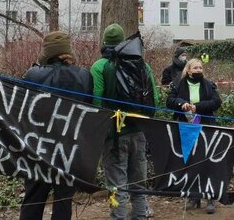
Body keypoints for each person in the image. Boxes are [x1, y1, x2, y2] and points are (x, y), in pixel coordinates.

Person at [20, 32, 92, 220]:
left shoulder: (32, 74)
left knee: (33, 199)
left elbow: (21, 108)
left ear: (47, 51)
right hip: (69, 150)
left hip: (38, 147)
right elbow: (89, 108)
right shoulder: (84, 76)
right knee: (63, 201)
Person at [91, 24, 160, 220]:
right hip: (139, 132)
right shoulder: (141, 64)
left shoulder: (99, 67)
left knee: (116, 186)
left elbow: (97, 101)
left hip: (114, 136)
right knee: (139, 186)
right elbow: (153, 98)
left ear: (104, 43)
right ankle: (140, 216)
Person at [166, 58, 222, 214]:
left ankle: (210, 196)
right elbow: (169, 101)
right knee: (190, 161)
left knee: (207, 161)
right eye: (195, 68)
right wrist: (181, 103)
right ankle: (194, 196)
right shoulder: (178, 84)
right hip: (186, 128)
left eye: (200, 67)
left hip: (206, 127)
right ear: (188, 70)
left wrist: (197, 107)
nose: (198, 70)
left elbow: (217, 102)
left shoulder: (209, 84)